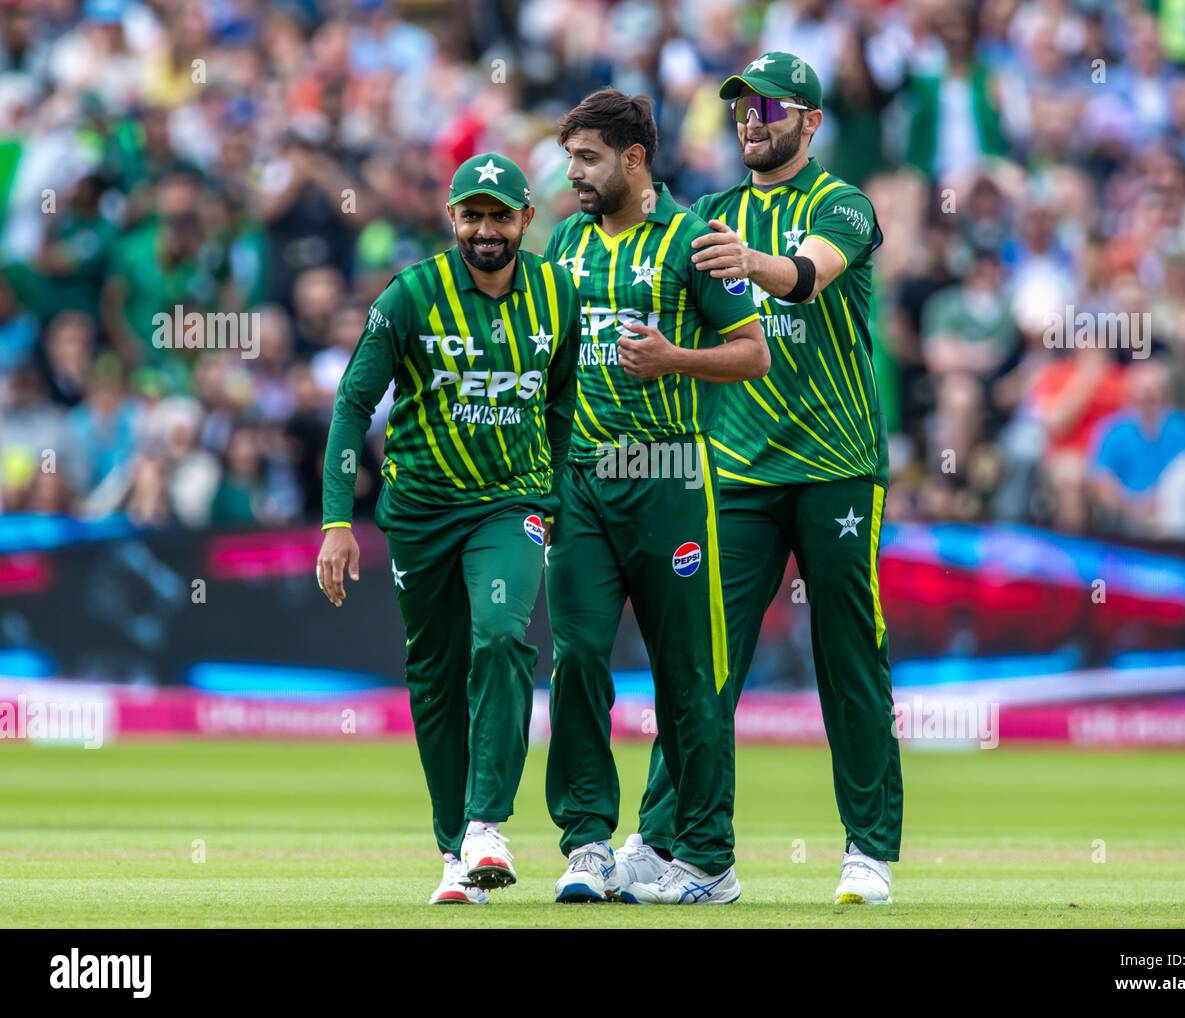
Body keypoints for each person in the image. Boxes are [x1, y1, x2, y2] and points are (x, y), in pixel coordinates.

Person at [637, 51, 903, 905]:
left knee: (847, 655)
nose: (752, 118)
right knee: (699, 663)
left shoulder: (843, 205)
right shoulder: (709, 212)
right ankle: (662, 838)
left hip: (835, 467)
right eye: (741, 107)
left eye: (770, 107)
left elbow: (808, 277)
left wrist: (747, 262)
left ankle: (867, 850)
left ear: (811, 122)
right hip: (735, 470)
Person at [315, 153, 578, 905]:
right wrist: (338, 521)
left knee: (500, 634)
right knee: (434, 680)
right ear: (452, 219)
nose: (485, 230)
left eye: (500, 216)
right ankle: (453, 851)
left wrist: (550, 500)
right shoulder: (411, 296)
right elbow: (350, 407)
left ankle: (487, 825)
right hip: (421, 511)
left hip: (510, 504)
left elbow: (561, 404)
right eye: (473, 215)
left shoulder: (559, 293)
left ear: (527, 220)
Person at [543, 88, 769, 905]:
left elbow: (752, 356)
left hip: (669, 477)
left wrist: (675, 359)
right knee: (575, 660)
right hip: (583, 485)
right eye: (570, 158)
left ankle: (708, 860)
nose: (573, 174)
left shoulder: (697, 241)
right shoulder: (565, 241)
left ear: (634, 160)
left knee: (687, 674)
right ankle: (587, 843)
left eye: (587, 159)